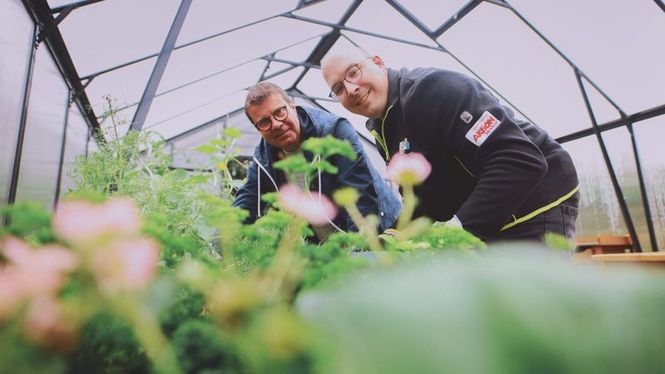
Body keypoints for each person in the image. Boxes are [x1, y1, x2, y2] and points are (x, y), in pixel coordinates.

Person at [321, 48, 579, 242]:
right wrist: (392, 238)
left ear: (377, 62)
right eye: (339, 88)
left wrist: (458, 228)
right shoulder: (384, 129)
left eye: (354, 72)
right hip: (490, 215)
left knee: (528, 307)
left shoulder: (432, 90)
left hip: (537, 200)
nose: (351, 89)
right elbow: (427, 199)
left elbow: (519, 159)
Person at [232, 82, 401, 242]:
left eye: (279, 112)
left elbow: (359, 197)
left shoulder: (334, 131)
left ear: (292, 106)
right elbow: (245, 203)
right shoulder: (263, 159)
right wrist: (222, 238)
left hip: (383, 233)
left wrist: (359, 253)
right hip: (327, 252)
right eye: (264, 122)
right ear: (258, 129)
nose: (276, 124)